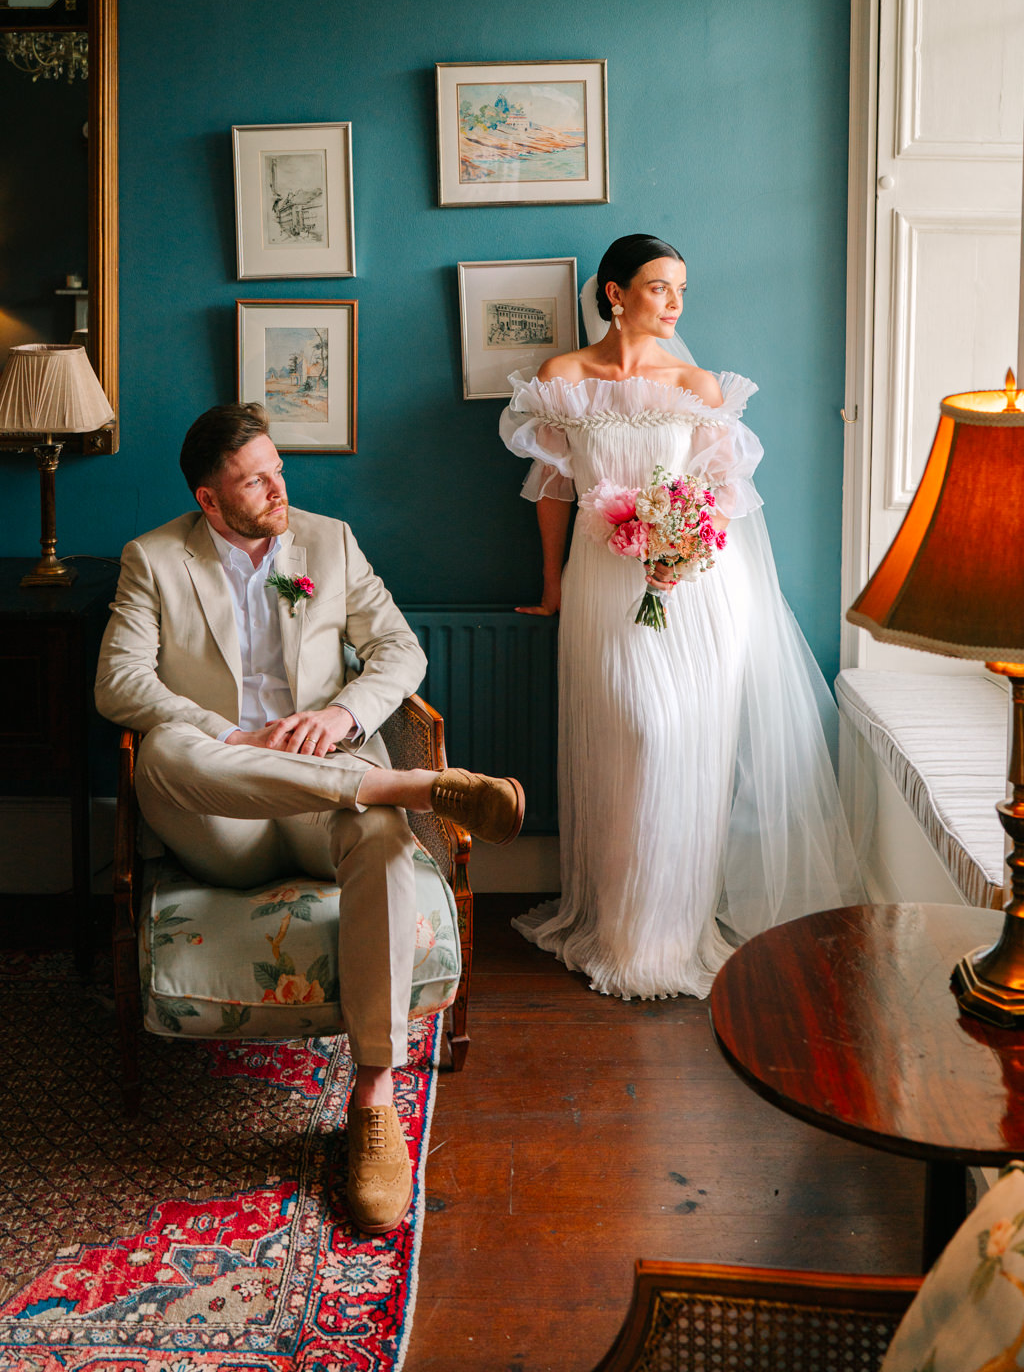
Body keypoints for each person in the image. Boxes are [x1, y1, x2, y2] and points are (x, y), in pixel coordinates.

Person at [95, 402, 524, 1234]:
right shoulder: (153, 559)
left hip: (328, 785)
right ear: (209, 499)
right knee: (164, 754)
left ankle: (372, 1098)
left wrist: (340, 721)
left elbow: (401, 649)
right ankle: (403, 786)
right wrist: (226, 734)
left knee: (379, 832)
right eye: (255, 479)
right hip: (223, 818)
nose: (277, 487)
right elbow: (118, 684)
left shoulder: (328, 542)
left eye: (278, 468)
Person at [499, 234, 860, 1001]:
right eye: (661, 288)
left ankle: (669, 934)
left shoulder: (698, 386)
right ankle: (618, 925)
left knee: (680, 747)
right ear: (613, 293)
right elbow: (555, 491)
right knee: (627, 735)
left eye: (682, 292)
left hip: (692, 588)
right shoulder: (563, 379)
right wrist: (553, 587)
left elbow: (724, 497)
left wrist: (682, 549)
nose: (675, 305)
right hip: (601, 583)